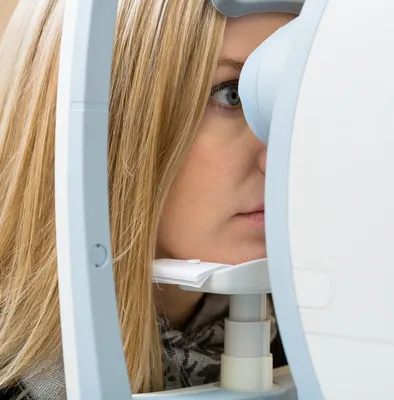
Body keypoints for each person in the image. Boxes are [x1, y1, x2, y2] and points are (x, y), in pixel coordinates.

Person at [0, 0, 294, 398]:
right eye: (231, 96)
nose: (278, 158)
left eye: (292, 100)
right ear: (109, 123)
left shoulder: (317, 345)